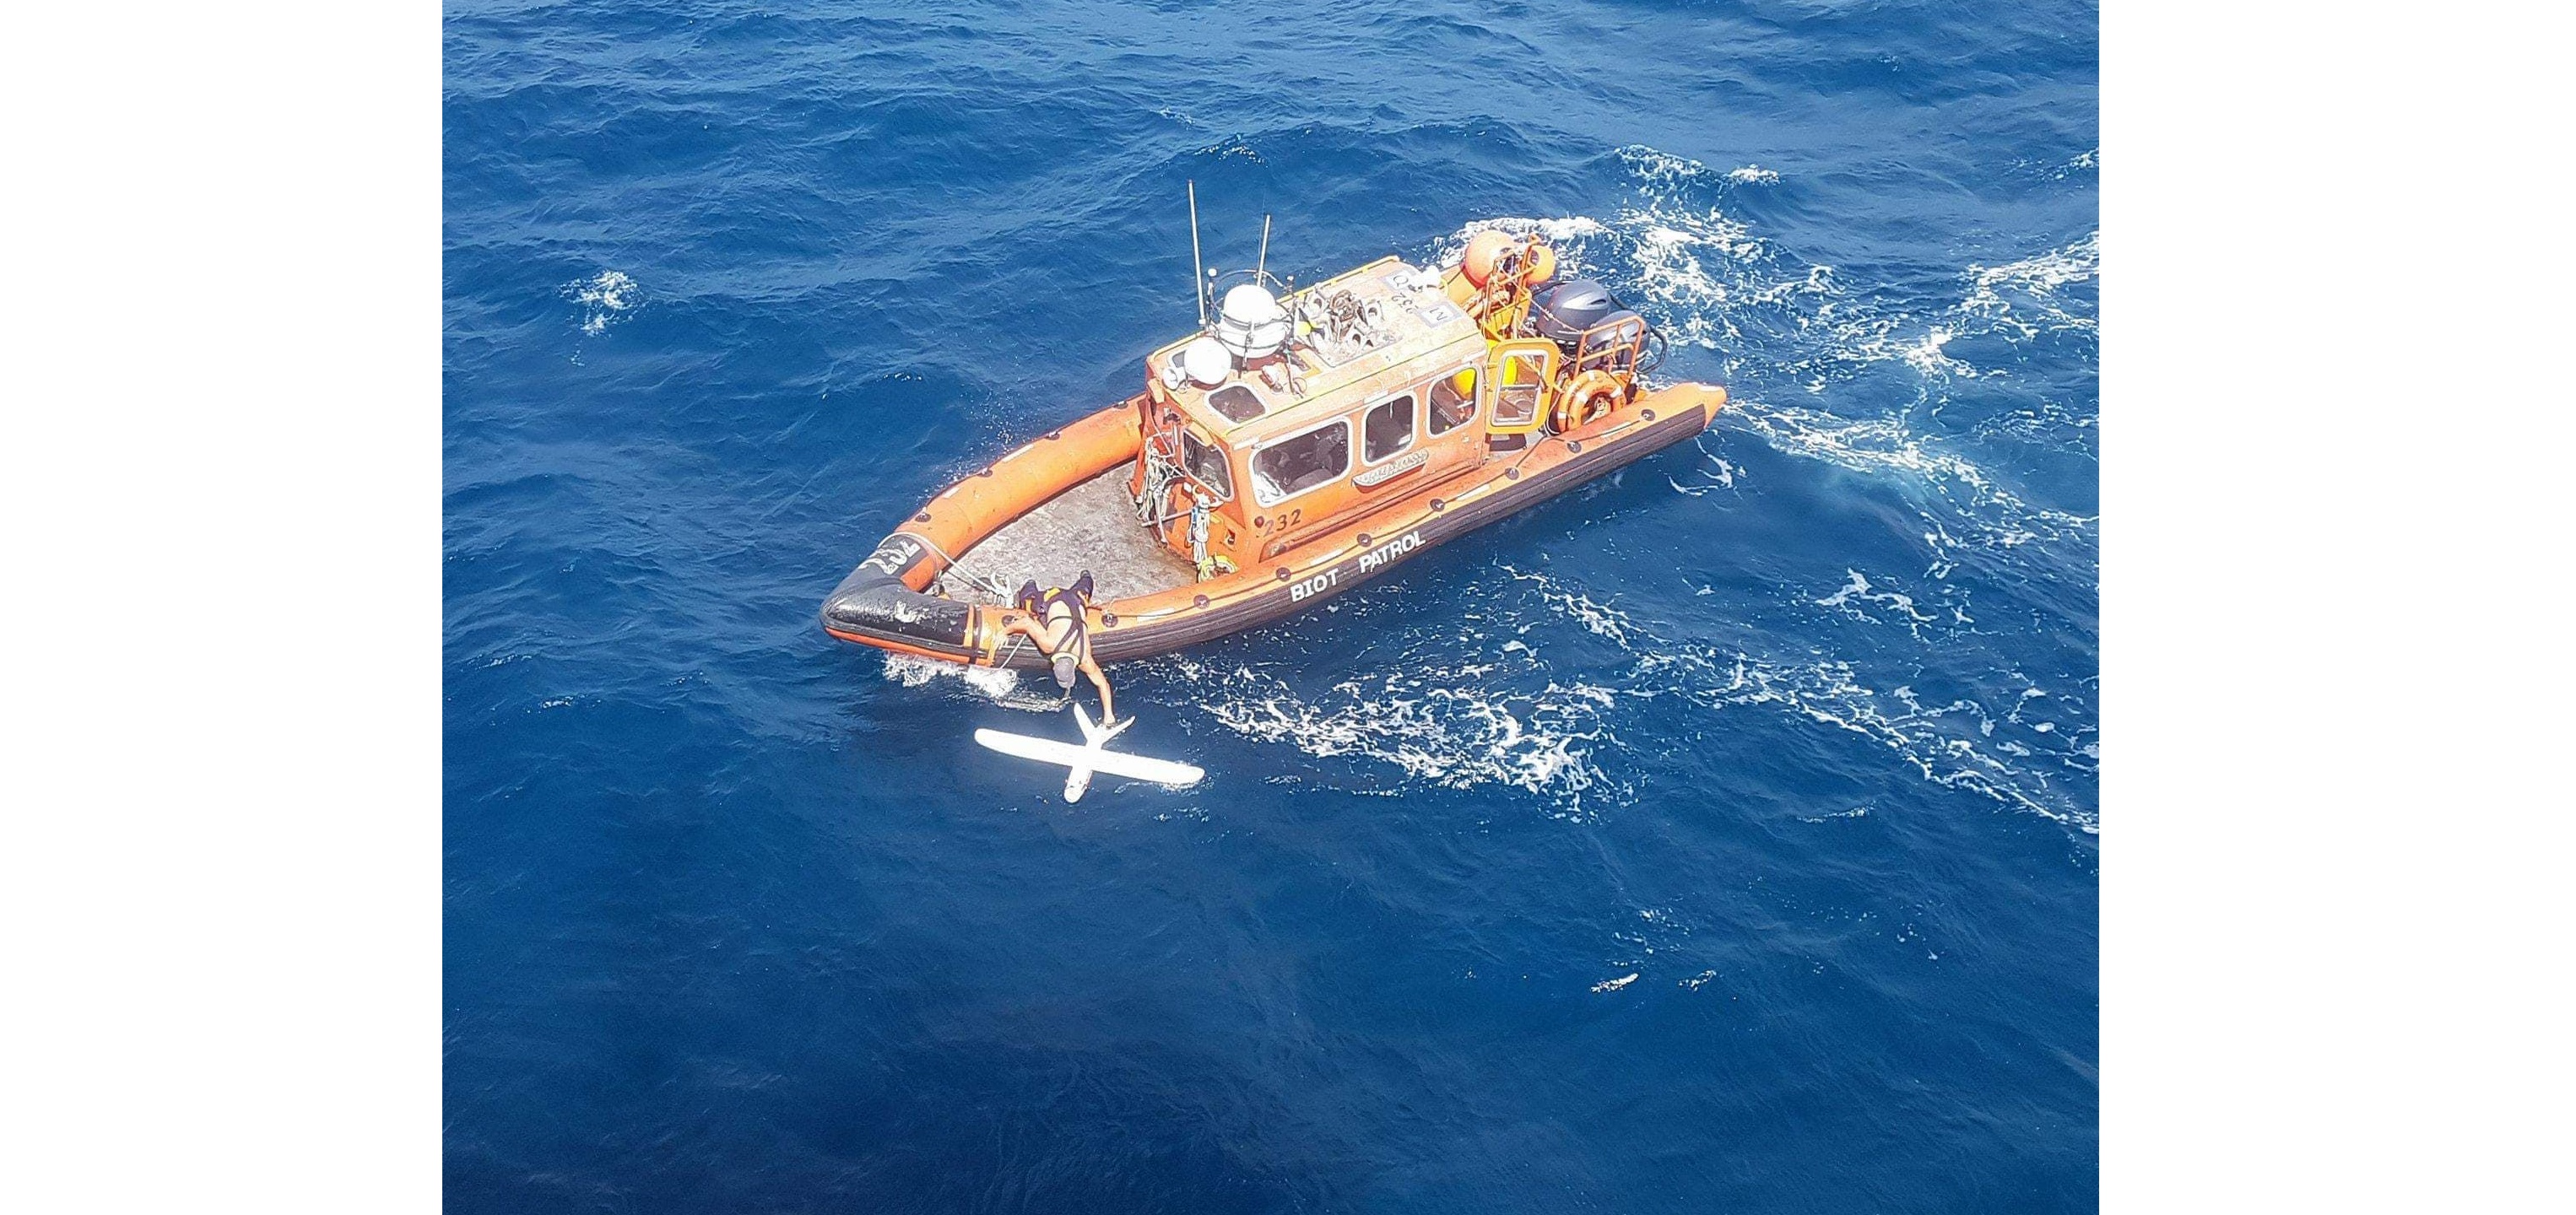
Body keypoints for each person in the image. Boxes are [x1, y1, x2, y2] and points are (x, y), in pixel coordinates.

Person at [998, 571, 1115, 724]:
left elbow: (1103, 685)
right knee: (1031, 601)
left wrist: (1109, 715)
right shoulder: (1059, 649)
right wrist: (1004, 632)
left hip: (1074, 599)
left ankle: (1082, 578)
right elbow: (1027, 623)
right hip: (1062, 598)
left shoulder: (1083, 656)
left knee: (1082, 587)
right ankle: (1032, 584)